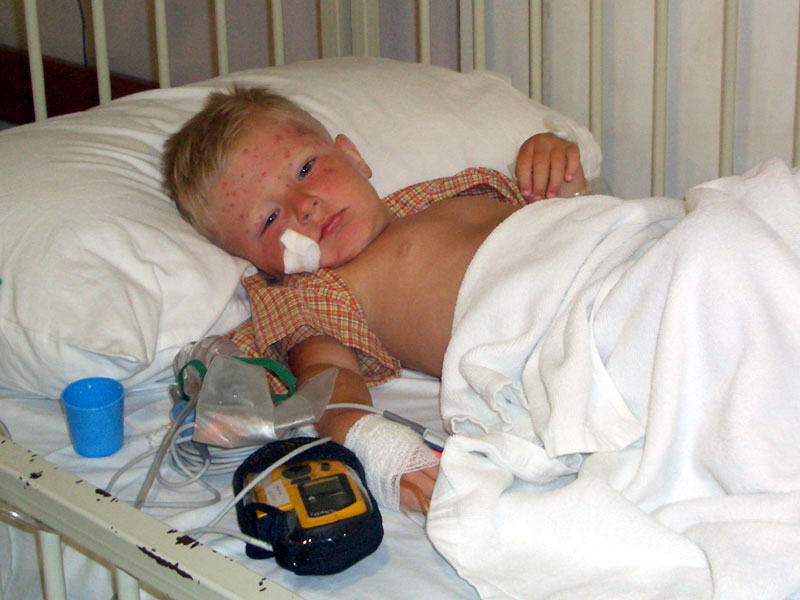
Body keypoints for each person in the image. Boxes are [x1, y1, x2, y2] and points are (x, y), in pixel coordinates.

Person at [162, 86, 588, 514]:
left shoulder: (447, 193)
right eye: (270, 218)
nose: (304, 206)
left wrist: (553, 167)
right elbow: (329, 385)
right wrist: (379, 447)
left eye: (306, 168)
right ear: (257, 261)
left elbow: (565, 211)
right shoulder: (316, 294)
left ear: (353, 157)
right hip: (555, 331)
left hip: (598, 251)